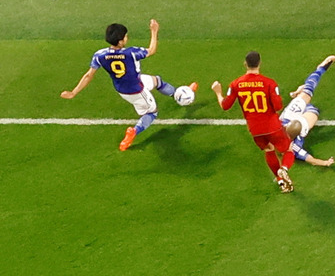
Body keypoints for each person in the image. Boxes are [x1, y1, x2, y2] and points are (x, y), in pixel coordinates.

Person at [61, 19, 197, 151]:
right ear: (120, 41)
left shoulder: (99, 55)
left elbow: (88, 75)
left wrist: (74, 92)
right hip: (136, 90)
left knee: (156, 81)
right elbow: (152, 50)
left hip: (123, 87)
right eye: (125, 36)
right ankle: (133, 132)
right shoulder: (131, 53)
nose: (127, 37)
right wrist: (154, 31)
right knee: (152, 112)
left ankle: (178, 94)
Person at [211, 51, 295, 193]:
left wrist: (218, 93)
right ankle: (284, 169)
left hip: (255, 129)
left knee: (269, 149)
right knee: (288, 149)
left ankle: (281, 181)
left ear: (245, 64)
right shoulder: (269, 83)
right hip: (272, 126)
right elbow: (278, 106)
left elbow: (225, 106)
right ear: (259, 63)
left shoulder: (236, 84)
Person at [280, 55, 335, 167]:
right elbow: (310, 159)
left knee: (308, 92)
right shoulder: (294, 147)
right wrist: (325, 163)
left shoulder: (278, 128)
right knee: (313, 110)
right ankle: (300, 92)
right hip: (293, 117)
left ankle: (320, 69)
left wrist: (325, 163)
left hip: (289, 115)